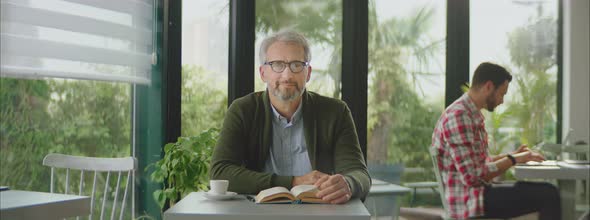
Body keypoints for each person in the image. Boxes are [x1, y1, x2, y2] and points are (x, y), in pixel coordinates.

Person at [210, 30, 371, 204]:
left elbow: (359, 173)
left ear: (308, 73)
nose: (287, 76)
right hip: (259, 213)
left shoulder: (335, 112)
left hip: (319, 212)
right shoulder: (242, 110)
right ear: (263, 73)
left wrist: (348, 183)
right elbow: (220, 171)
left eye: (296, 65)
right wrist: (293, 182)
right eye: (277, 65)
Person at [430, 62, 561, 220]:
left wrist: (513, 155)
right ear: (489, 87)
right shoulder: (459, 116)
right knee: (548, 194)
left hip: (477, 196)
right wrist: (514, 159)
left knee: (545, 191)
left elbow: (479, 164)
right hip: (470, 203)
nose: (502, 101)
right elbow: (473, 176)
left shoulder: (468, 114)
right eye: (502, 94)